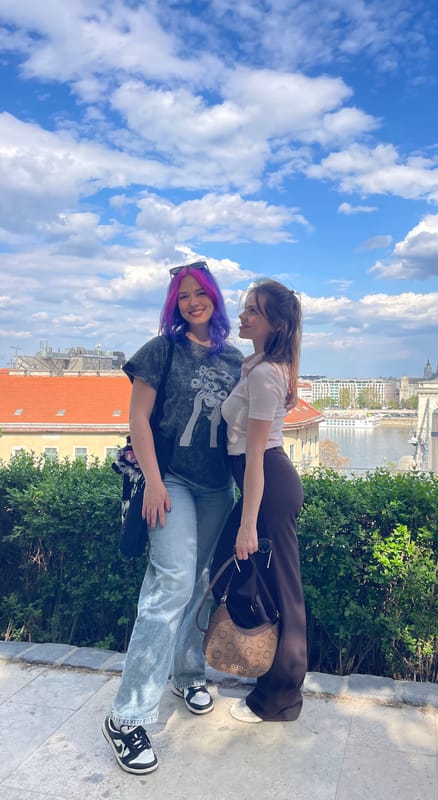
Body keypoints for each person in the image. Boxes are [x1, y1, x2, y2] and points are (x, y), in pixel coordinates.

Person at [103, 261, 243, 774]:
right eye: (182, 296)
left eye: (199, 293)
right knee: (169, 586)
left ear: (214, 297)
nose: (192, 302)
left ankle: (187, 675)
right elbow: (138, 418)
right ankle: (126, 717)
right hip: (172, 483)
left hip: (217, 488)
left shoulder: (234, 359)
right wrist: (155, 482)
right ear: (173, 304)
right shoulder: (160, 351)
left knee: (200, 581)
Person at [211, 278, 307, 723]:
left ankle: (280, 697)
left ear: (277, 324)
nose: (243, 315)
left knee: (284, 590)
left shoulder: (267, 374)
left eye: (254, 310)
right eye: (245, 307)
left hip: (268, 482)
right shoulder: (257, 366)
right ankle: (261, 663)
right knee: (232, 571)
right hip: (261, 482)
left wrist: (248, 523)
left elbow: (254, 454)